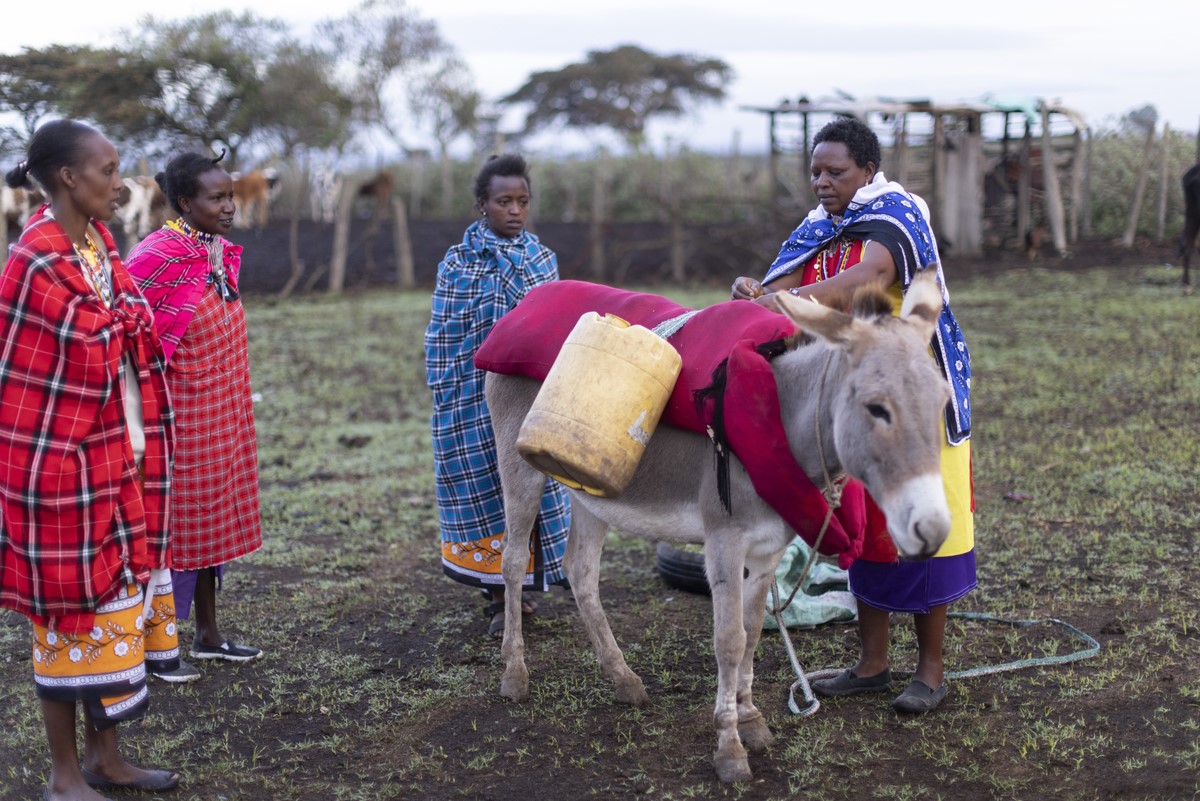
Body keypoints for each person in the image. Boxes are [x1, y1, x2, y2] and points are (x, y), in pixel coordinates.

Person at [732, 117, 975, 713]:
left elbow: (869, 276)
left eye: (836, 171)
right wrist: (756, 293)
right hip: (857, 408)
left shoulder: (897, 216)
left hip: (913, 400)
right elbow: (781, 285)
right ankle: (871, 663)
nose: (822, 181)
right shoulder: (823, 226)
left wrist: (783, 300)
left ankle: (931, 671)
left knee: (925, 525)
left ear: (868, 171)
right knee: (868, 532)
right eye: (815, 171)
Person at [0, 119, 181, 799]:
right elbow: (81, 356)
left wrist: (129, 327)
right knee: (65, 614)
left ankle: (107, 757)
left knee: (116, 606)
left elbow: (130, 328)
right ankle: (64, 772)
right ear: (69, 178)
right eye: (108, 170)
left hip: (117, 457)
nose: (120, 183)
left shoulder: (100, 246)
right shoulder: (37, 258)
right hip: (58, 466)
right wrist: (128, 329)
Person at [125, 151, 264, 668]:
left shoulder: (216, 252)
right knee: (167, 528)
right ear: (185, 202)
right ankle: (155, 643)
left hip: (221, 414)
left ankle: (208, 632)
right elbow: (127, 334)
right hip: (174, 418)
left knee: (210, 524)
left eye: (230, 195)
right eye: (218, 197)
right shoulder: (156, 255)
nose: (230, 206)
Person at [424, 154, 571, 638]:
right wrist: (453, 388)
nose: (514, 210)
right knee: (486, 487)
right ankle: (496, 597)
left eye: (522, 201)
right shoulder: (458, 263)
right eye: (503, 201)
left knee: (529, 486)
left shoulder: (541, 259)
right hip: (470, 399)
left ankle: (525, 585)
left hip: (527, 396)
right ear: (482, 205)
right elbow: (446, 334)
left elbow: (553, 331)